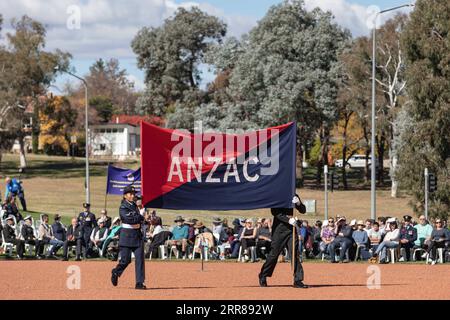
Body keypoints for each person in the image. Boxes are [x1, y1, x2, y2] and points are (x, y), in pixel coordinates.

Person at [259, 194, 308, 289]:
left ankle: (298, 280)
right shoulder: (278, 195)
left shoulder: (294, 195)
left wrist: (298, 203)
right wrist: (288, 220)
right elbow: (275, 212)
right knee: (274, 254)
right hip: (279, 231)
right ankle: (263, 275)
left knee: (294, 254)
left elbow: (303, 210)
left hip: (291, 231)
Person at [111, 186, 146, 290]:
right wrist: (141, 216)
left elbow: (137, 219)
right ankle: (116, 272)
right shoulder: (123, 207)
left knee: (140, 259)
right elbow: (129, 219)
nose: (132, 195)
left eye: (133, 193)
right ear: (125, 195)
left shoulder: (135, 206)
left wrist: (142, 217)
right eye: (130, 194)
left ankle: (139, 283)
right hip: (126, 236)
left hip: (137, 235)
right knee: (126, 260)